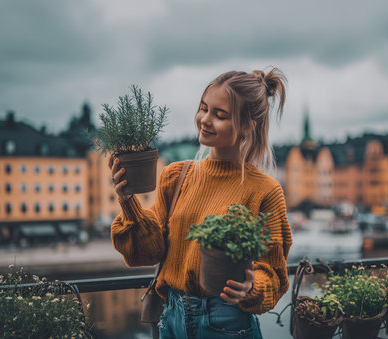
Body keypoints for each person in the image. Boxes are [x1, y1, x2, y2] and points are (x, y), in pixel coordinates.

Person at [109, 67, 293, 338]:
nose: (205, 120)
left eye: (220, 115)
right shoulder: (176, 176)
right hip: (171, 318)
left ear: (246, 126)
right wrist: (128, 203)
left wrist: (252, 287)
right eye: (203, 109)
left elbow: (274, 271)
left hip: (227, 321)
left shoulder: (265, 191)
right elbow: (149, 253)